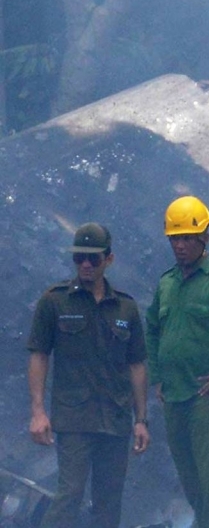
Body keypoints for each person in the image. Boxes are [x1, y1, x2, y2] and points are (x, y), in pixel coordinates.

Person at [27, 223, 150, 528]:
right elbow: (39, 355)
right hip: (74, 417)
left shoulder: (126, 307)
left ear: (108, 259)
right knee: (70, 494)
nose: (85, 264)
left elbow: (137, 365)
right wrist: (38, 411)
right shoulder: (54, 301)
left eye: (93, 258)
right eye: (79, 257)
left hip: (116, 418)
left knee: (109, 503)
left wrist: (141, 420)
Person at [145, 196, 209, 528]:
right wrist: (157, 376)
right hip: (174, 397)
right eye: (176, 238)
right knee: (192, 482)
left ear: (204, 238)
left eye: (188, 237)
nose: (181, 245)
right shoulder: (167, 283)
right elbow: (153, 329)